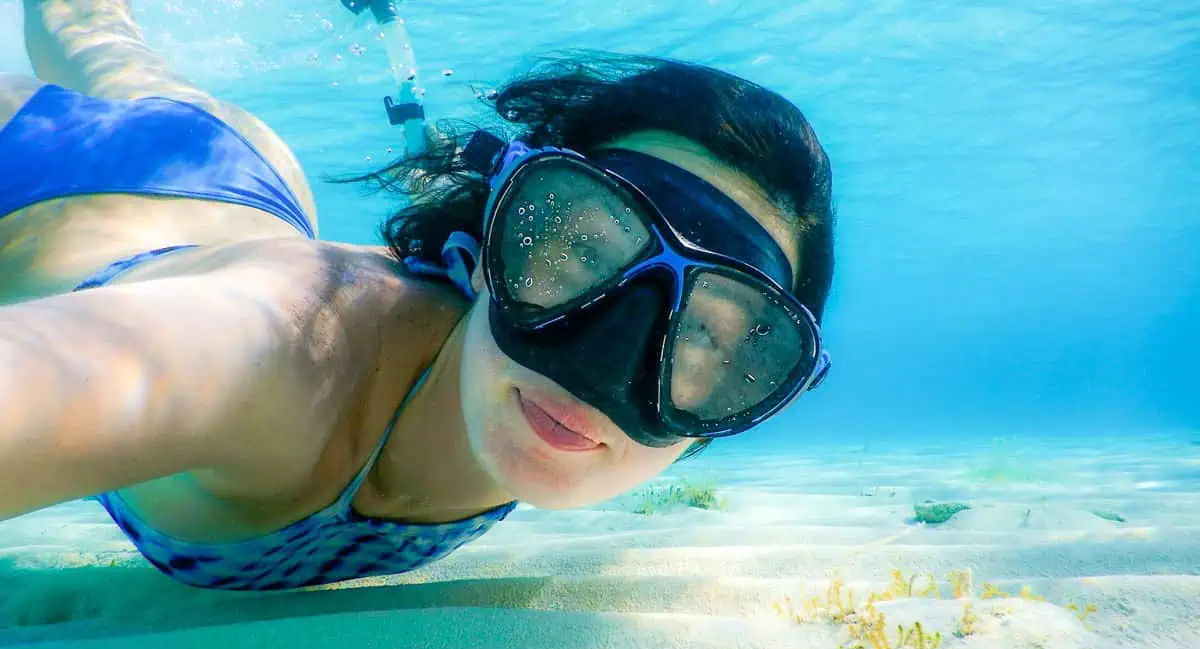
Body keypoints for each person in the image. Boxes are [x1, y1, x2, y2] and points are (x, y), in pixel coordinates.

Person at [0, 0, 835, 591]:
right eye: (586, 251)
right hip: (39, 182)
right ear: (490, 246)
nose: (600, 369)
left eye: (706, 337)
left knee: (103, 43)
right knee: (82, 28)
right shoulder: (293, 347)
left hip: (244, 179)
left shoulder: (507, 383)